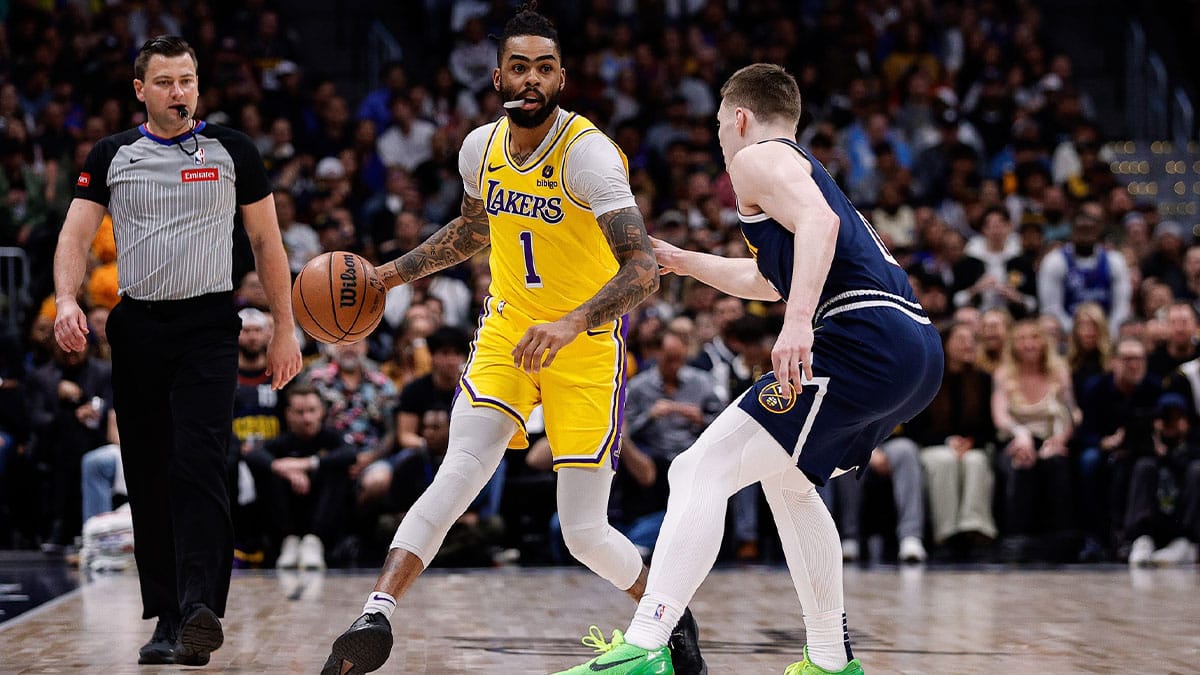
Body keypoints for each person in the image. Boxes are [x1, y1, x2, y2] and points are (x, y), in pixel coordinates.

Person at [323, 8, 705, 675]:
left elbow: (643, 268)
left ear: (563, 77)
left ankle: (667, 610)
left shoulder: (586, 155)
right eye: (519, 66)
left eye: (544, 67)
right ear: (498, 74)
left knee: (584, 533)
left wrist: (570, 322)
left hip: (583, 347)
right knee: (460, 467)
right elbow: (474, 229)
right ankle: (376, 610)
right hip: (506, 331)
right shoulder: (480, 148)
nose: (530, 79)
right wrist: (388, 273)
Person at [554, 63, 943, 675]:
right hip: (911, 349)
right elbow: (768, 278)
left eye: (717, 125)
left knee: (695, 469)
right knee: (788, 482)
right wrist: (684, 261)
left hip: (864, 340)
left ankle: (648, 646)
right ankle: (829, 660)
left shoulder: (757, 158)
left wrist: (796, 325)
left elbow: (821, 226)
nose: (718, 137)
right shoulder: (797, 170)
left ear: (739, 118)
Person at [51, 36, 302, 667]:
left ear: (198, 84)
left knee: (199, 462)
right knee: (149, 473)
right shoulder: (111, 154)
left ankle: (200, 608)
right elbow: (74, 237)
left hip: (209, 326)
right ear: (141, 90)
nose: (178, 92)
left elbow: (268, 245)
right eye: (164, 82)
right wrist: (67, 300)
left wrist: (283, 328)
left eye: (187, 80)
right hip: (136, 328)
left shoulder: (233, 150)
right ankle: (166, 616)